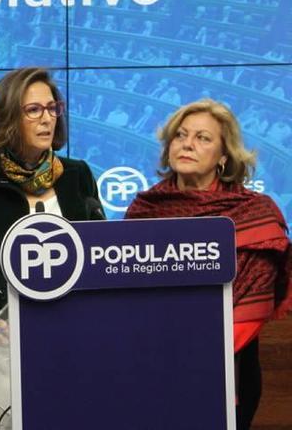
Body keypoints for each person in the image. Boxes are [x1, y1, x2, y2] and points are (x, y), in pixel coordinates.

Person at [125, 99, 291, 430]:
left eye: (203, 138)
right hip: (151, 371)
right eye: (181, 135)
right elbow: (127, 296)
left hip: (229, 371)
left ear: (224, 155)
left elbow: (252, 304)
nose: (188, 144)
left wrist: (191, 354)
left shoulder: (254, 214)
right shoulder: (143, 210)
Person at [0, 67, 104, 353]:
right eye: (33, 110)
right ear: (7, 118)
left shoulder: (78, 175)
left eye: (52, 108)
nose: (47, 118)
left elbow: (99, 260)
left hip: (69, 337)